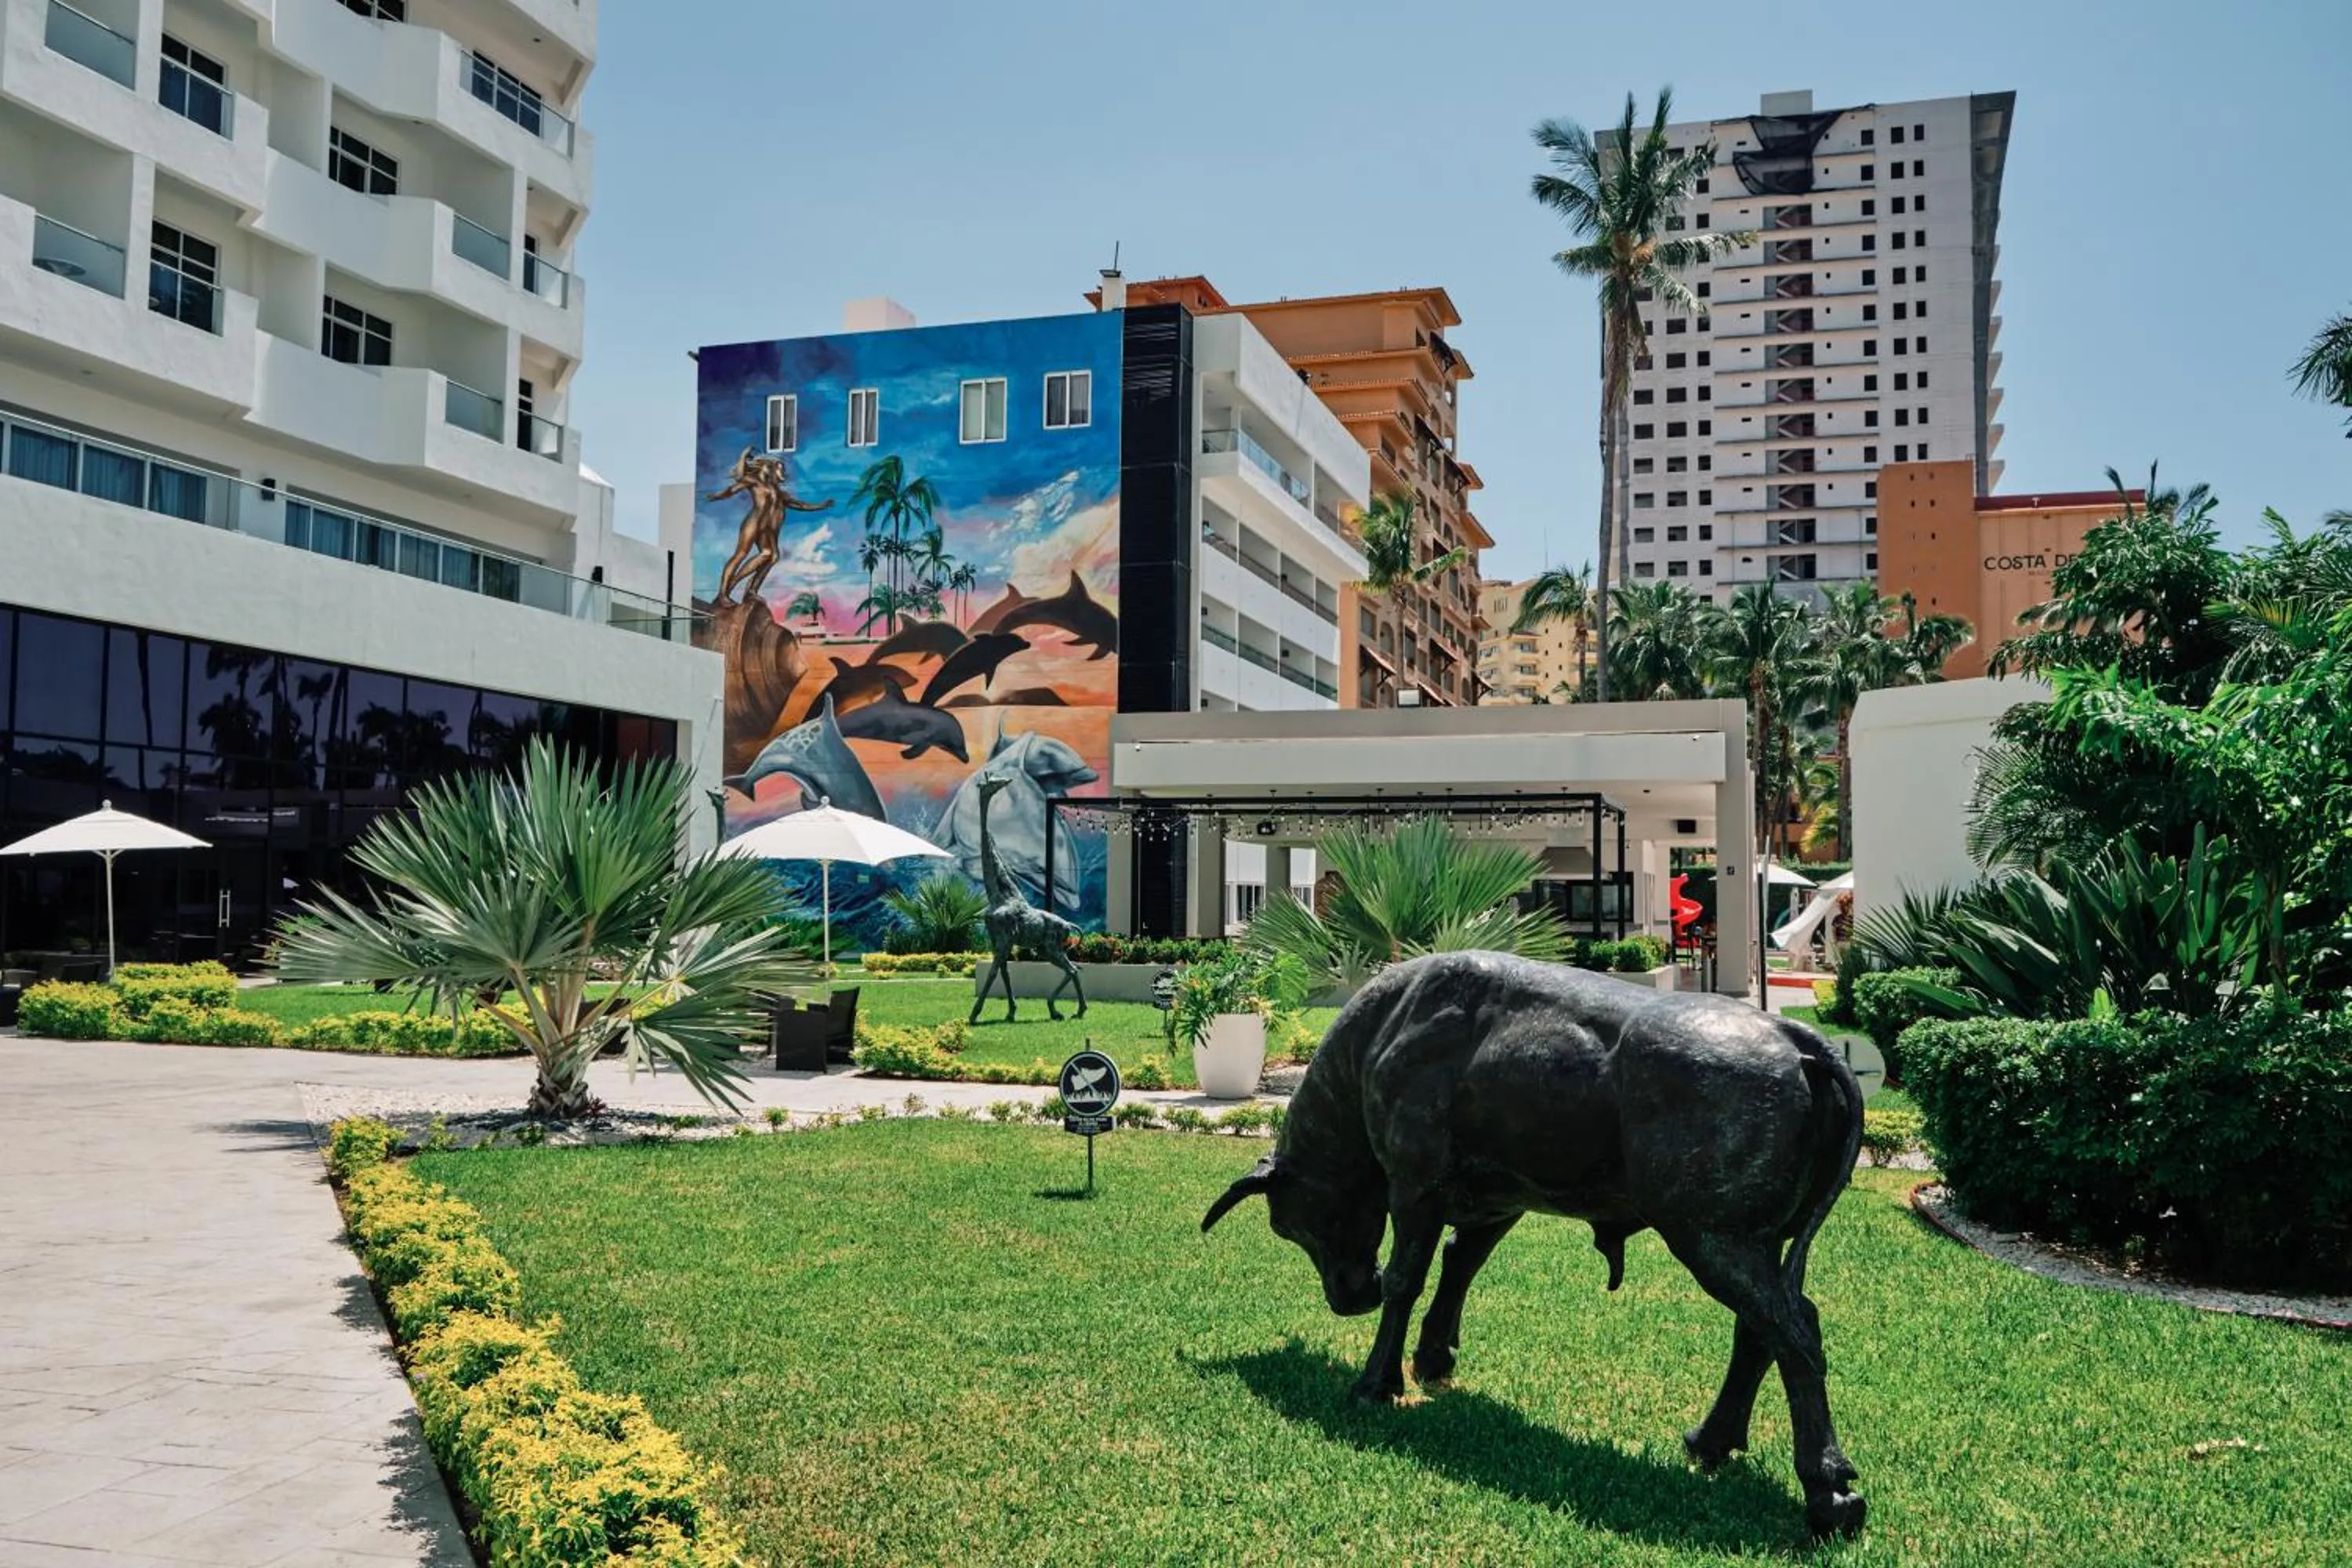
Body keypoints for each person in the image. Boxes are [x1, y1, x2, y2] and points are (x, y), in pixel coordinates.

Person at [709, 448, 834, 604]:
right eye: (780, 469)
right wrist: (718, 495)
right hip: (754, 523)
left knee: (772, 556)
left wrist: (821, 506)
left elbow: (800, 505)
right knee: (740, 555)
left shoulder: (781, 494)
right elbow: (733, 488)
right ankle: (723, 593)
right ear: (771, 469)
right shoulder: (755, 482)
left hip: (769, 529)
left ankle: (751, 591)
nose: (783, 474)